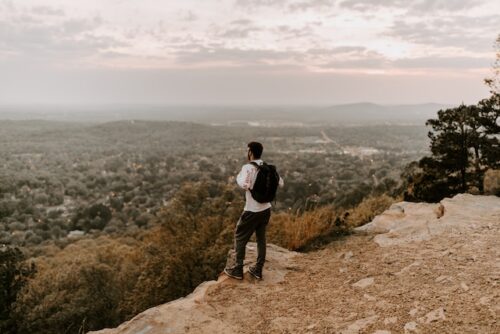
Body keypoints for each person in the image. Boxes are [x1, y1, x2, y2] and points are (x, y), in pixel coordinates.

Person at [223, 141, 284, 280]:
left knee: (239, 236)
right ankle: (258, 269)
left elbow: (243, 184)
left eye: (247, 151)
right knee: (261, 238)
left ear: (250, 152)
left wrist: (243, 179)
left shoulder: (247, 168)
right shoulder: (268, 167)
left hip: (251, 210)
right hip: (266, 209)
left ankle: (238, 269)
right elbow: (281, 182)